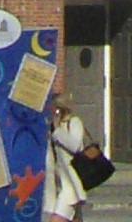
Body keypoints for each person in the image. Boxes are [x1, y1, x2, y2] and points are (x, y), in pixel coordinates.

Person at [43, 94, 92, 222]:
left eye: (55, 109)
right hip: (57, 183)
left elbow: (75, 146)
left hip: (71, 185)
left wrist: (58, 131)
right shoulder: (52, 127)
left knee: (56, 220)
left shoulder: (74, 123)